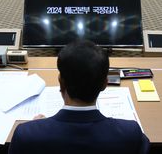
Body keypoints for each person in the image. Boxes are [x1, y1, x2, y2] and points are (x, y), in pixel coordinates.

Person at [9, 40, 150, 154]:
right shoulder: (130, 132)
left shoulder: (26, 134)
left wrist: (40, 127)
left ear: (60, 81)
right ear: (105, 84)